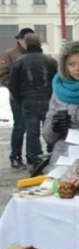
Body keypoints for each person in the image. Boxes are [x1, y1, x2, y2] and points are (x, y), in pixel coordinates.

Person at [7, 33, 58, 173]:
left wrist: (20, 98)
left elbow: (13, 84)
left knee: (32, 131)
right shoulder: (50, 61)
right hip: (48, 99)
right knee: (50, 128)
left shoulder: (19, 61)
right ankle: (52, 154)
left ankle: (35, 158)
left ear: (26, 45)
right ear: (40, 44)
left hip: (28, 100)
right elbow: (58, 80)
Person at [0, 28, 33, 169]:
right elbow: (2, 74)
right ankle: (15, 157)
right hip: (17, 97)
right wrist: (15, 88)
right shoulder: (10, 54)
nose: (27, 43)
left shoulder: (36, 53)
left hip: (34, 96)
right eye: (24, 40)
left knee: (33, 127)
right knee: (20, 127)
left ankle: (32, 155)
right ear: (19, 40)